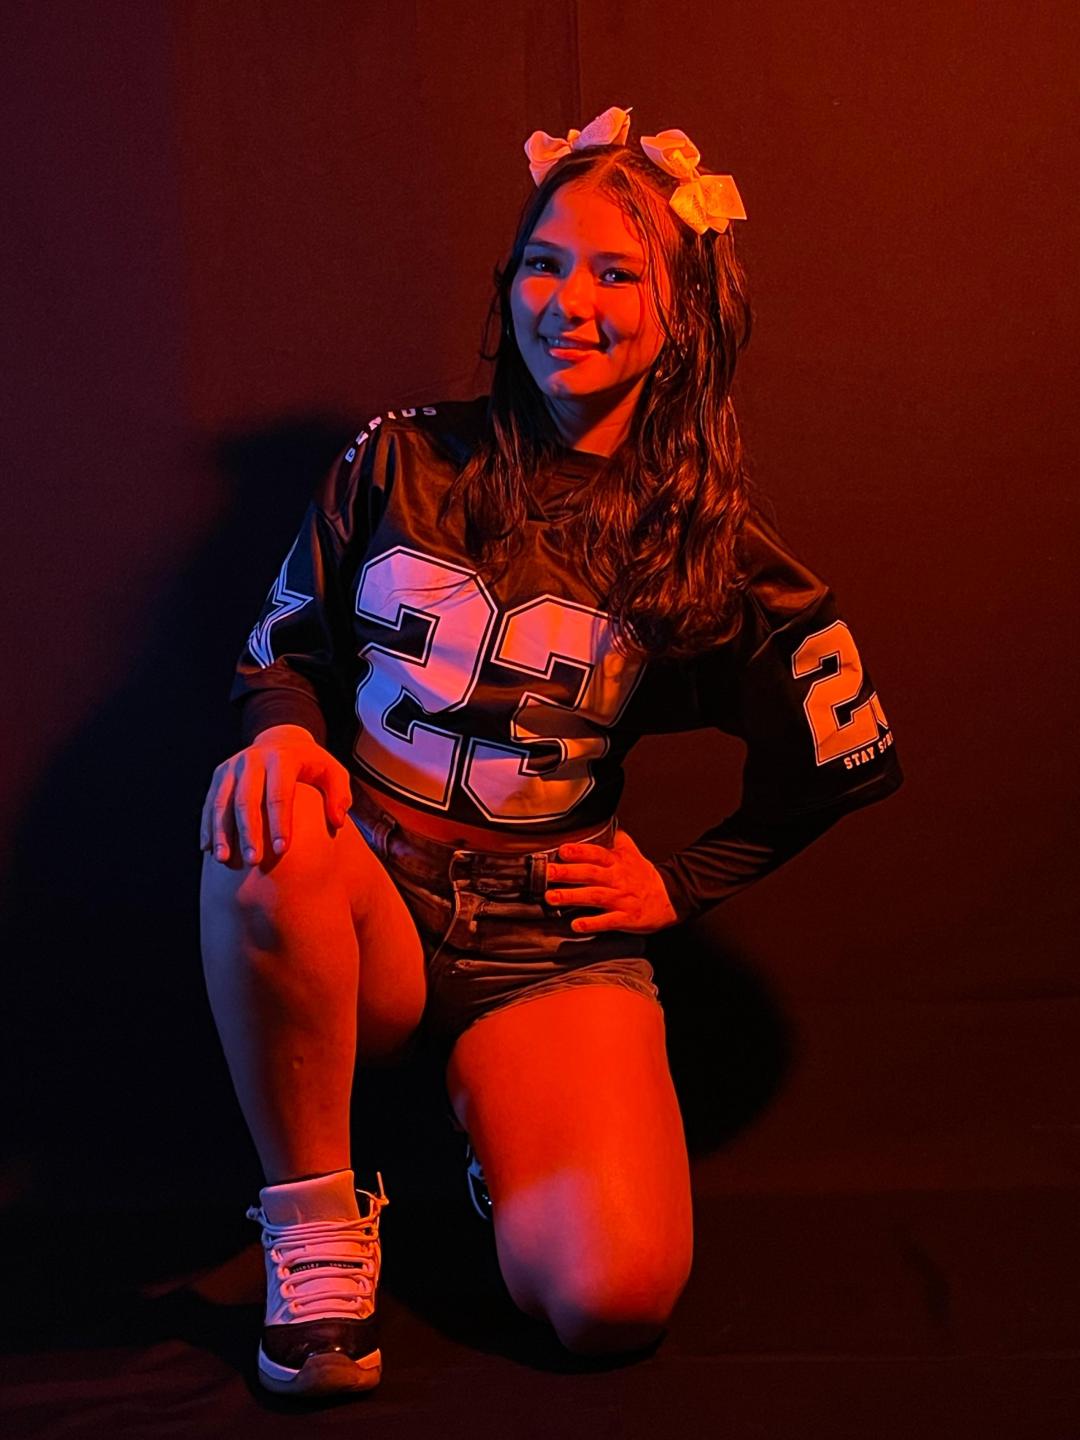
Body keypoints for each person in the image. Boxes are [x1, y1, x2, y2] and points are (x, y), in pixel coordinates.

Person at [198, 104, 902, 1399]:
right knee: (270, 810)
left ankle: (509, 1141)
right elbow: (282, 650)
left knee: (609, 1302)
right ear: (508, 280)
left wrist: (682, 883)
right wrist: (283, 735)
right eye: (544, 263)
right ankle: (315, 1223)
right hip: (367, 897)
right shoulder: (399, 457)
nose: (568, 302)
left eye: (616, 274)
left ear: (683, 311)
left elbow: (841, 753)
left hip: (543, 936)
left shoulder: (708, 541)